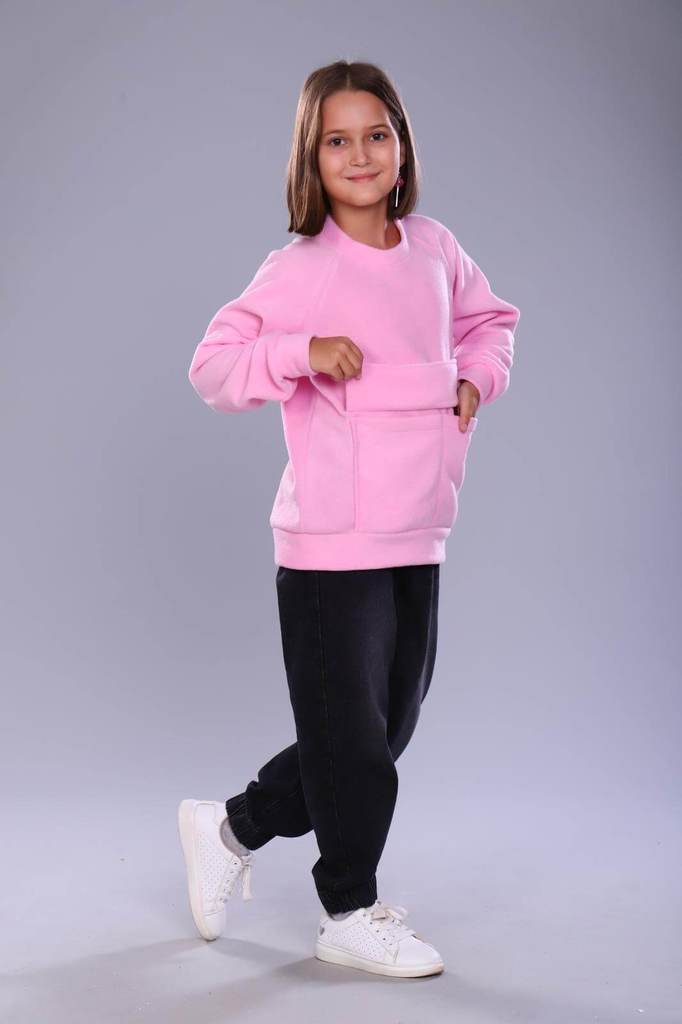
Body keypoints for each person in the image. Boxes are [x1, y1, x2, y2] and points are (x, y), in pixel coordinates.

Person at [177, 59, 521, 979]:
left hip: (420, 527)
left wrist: (476, 378)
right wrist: (299, 350)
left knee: (381, 732)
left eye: (377, 134)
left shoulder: (437, 250)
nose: (360, 154)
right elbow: (214, 367)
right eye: (338, 140)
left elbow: (491, 324)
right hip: (331, 544)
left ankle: (230, 828)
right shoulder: (300, 269)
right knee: (355, 745)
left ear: (402, 146)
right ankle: (347, 909)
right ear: (311, 157)